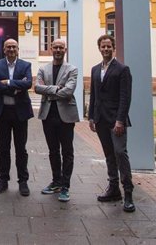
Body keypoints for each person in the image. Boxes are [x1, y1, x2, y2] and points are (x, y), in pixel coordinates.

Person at [88, 34, 135, 212]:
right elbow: (93, 95)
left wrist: (120, 120)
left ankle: (128, 193)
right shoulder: (94, 69)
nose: (106, 49)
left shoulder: (123, 69)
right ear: (99, 48)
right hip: (100, 120)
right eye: (103, 46)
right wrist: (91, 116)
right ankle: (113, 189)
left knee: (120, 153)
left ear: (113, 48)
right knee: (108, 154)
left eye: (109, 46)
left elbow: (125, 97)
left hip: (116, 121)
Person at [34, 38, 79, 202]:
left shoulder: (72, 69)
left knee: (67, 151)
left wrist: (48, 91)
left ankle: (65, 186)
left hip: (66, 116)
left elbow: (68, 91)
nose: (58, 50)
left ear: (65, 50)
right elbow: (37, 88)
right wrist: (56, 88)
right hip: (48, 115)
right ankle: (56, 182)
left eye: (61, 47)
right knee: (53, 151)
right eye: (55, 47)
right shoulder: (43, 69)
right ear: (51, 49)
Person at [0, 38, 33, 196]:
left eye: (14, 47)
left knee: (21, 149)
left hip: (20, 112)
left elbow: (28, 84)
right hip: (3, 112)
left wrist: (7, 82)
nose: (11, 49)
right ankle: (3, 180)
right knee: (3, 148)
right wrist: (15, 87)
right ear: (4, 49)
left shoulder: (26, 65)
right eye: (8, 47)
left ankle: (23, 181)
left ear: (18, 49)